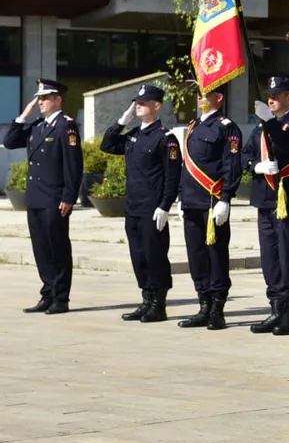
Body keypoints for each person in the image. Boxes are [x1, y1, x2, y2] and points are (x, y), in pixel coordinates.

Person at [99, 84, 182, 322]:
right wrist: (121, 122)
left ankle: (159, 304)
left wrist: (165, 206)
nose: (138, 106)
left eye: (143, 103)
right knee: (138, 256)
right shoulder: (134, 135)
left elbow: (172, 176)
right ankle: (146, 300)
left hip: (152, 208)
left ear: (157, 106)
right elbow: (107, 144)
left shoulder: (165, 138)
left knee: (154, 255)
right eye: (137, 103)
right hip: (133, 206)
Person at [3, 79, 82, 314]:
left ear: (59, 100)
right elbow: (9, 142)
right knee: (41, 249)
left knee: (57, 248)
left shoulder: (66, 127)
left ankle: (61, 298)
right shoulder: (37, 126)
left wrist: (69, 196)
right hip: (36, 198)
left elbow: (73, 166)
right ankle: (47, 294)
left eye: (45, 98)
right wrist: (23, 115)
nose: (41, 102)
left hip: (55, 198)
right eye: (39, 98)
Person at [245, 76, 289, 336]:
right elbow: (246, 154)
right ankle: (275, 307)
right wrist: (255, 167)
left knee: (288, 256)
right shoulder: (262, 127)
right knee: (270, 257)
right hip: (266, 199)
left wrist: (270, 123)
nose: (271, 99)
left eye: (276, 95)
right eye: (269, 95)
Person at [177, 84, 243, 330]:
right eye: (198, 94)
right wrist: (181, 198)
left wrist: (226, 197)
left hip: (212, 201)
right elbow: (187, 167)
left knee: (216, 254)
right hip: (192, 201)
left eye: (205, 95)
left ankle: (217, 308)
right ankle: (203, 304)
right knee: (196, 255)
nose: (200, 99)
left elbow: (231, 164)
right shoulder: (194, 126)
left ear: (219, 97)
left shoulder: (227, 127)